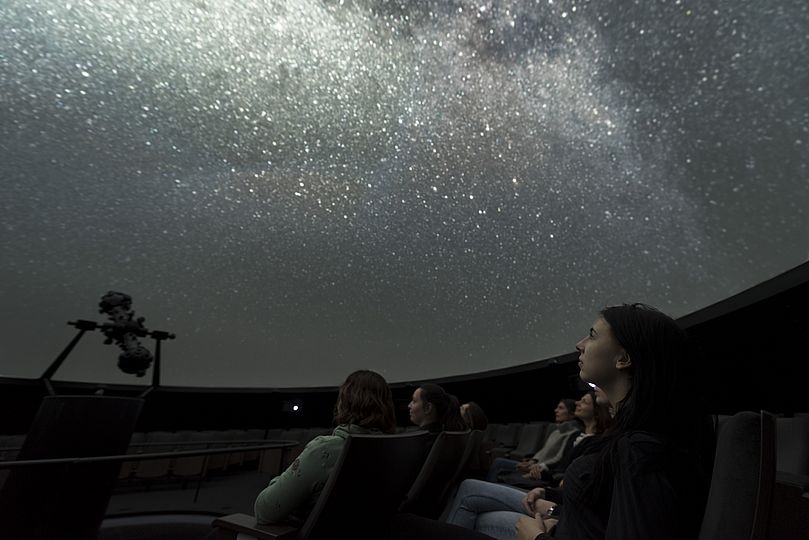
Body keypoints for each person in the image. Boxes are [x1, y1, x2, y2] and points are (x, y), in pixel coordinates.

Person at [441, 304, 712, 540]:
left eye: (593, 335)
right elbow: (601, 514)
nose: (580, 344)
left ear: (624, 358)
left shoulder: (640, 451)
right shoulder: (638, 440)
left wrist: (537, 538)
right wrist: (554, 510)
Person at [253, 370, 396, 524]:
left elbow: (264, 510)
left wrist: (278, 481)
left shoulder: (325, 450)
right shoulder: (394, 449)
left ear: (344, 403)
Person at [485, 399, 581, 483]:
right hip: (534, 465)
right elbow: (543, 451)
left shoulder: (572, 434)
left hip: (541, 469)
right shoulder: (556, 431)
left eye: (561, 408)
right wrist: (531, 461)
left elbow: (559, 458)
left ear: (572, 414)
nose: (556, 410)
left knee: (499, 463)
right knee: (499, 462)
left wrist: (536, 466)